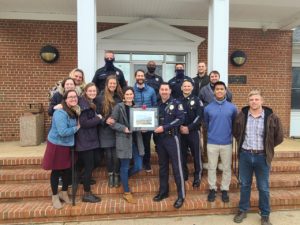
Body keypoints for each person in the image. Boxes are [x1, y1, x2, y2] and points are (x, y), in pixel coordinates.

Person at [233, 90, 283, 225]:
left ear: (262, 101)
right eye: (251, 100)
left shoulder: (272, 117)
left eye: (256, 99)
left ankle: (265, 214)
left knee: (263, 187)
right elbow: (237, 132)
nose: (254, 102)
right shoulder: (242, 115)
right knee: (244, 185)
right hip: (245, 155)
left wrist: (268, 147)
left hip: (262, 156)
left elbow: (279, 137)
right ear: (248, 101)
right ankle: (243, 210)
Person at [42, 90, 80, 209]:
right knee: (56, 171)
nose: (73, 99)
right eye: (70, 97)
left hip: (68, 145)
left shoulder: (74, 110)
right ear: (65, 99)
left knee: (67, 170)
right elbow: (63, 132)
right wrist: (77, 128)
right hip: (57, 145)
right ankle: (54, 196)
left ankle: (64, 193)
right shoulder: (60, 112)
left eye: (75, 97)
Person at [153, 82, 185, 209]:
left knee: (177, 167)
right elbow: (153, 121)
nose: (164, 91)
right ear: (159, 91)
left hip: (172, 138)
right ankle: (163, 192)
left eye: (166, 89)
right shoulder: (156, 104)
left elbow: (180, 119)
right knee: (163, 167)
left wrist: (165, 127)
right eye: (162, 89)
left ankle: (181, 196)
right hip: (160, 140)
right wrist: (146, 127)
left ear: (170, 91)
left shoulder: (177, 103)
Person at [204, 81, 237, 203]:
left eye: (221, 89)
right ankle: (212, 188)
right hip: (212, 142)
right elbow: (206, 123)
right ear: (214, 91)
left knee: (227, 168)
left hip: (226, 142)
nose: (219, 91)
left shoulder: (232, 107)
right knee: (212, 167)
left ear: (225, 91)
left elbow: (234, 123)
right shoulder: (208, 108)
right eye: (217, 89)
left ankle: (224, 189)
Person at [111, 86, 145, 204]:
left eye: (131, 94)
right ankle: (126, 191)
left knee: (139, 166)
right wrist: (123, 128)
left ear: (133, 95)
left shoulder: (137, 108)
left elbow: (141, 122)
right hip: (124, 140)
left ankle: (122, 177)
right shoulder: (118, 107)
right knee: (124, 166)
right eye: (127, 94)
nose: (129, 96)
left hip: (136, 141)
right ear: (124, 96)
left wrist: (143, 128)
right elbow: (112, 123)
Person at [75, 83, 102, 203]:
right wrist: (98, 119)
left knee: (96, 159)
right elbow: (84, 123)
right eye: (90, 91)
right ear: (85, 91)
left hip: (91, 139)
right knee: (89, 165)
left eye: (94, 91)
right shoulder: (84, 104)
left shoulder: (90, 102)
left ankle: (83, 178)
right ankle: (86, 193)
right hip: (85, 140)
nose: (92, 92)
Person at [95, 75, 123, 188]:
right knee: (108, 154)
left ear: (117, 85)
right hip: (105, 129)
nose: (112, 85)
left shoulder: (120, 97)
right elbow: (96, 114)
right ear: (107, 84)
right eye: (110, 83)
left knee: (116, 155)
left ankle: (116, 174)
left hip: (116, 129)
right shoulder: (100, 97)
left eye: (114, 83)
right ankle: (110, 174)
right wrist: (105, 120)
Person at [179, 79, 202, 187]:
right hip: (181, 132)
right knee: (182, 154)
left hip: (193, 132)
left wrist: (189, 127)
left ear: (192, 88)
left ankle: (197, 175)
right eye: (185, 86)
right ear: (181, 88)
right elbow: (175, 116)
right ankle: (184, 173)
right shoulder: (177, 101)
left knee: (196, 154)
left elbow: (199, 116)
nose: (187, 88)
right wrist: (180, 127)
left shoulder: (197, 100)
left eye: (189, 86)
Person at [133, 69, 157, 172]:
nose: (140, 77)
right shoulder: (131, 90)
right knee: (136, 142)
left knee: (146, 143)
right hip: (135, 121)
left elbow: (154, 105)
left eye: (142, 75)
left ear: (144, 77)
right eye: (138, 75)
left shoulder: (151, 90)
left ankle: (147, 163)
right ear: (135, 77)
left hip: (148, 122)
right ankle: (137, 162)